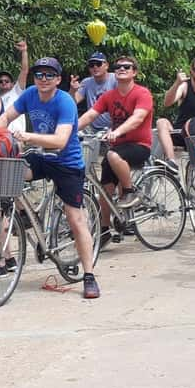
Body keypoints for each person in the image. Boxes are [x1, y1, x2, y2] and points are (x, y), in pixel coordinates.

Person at [0, 57, 100, 299]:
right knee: (9, 174)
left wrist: (27, 136)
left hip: (66, 162)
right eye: (39, 74)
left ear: (58, 79)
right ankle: (24, 217)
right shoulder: (30, 94)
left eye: (49, 75)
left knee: (75, 218)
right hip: (39, 157)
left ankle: (89, 275)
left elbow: (60, 141)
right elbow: (5, 118)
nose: (43, 79)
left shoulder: (65, 102)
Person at [77, 55, 154, 247]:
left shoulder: (142, 93)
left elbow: (137, 118)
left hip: (139, 146)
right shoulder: (108, 96)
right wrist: (68, 131)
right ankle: (104, 230)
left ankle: (129, 191)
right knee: (105, 189)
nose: (121, 69)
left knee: (112, 154)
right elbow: (90, 115)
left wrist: (117, 131)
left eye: (127, 67)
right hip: (118, 147)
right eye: (119, 67)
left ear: (134, 72)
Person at [70, 52, 117, 130]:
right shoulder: (86, 82)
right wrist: (72, 90)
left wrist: (115, 128)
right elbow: (72, 102)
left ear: (106, 66)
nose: (95, 67)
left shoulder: (115, 79)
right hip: (92, 128)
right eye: (91, 65)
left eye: (98, 64)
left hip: (114, 127)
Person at [0, 40, 30, 133]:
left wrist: (24, 52)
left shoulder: (17, 91)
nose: (4, 83)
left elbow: (24, 70)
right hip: (0, 137)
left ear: (12, 83)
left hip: (17, 136)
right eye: (1, 81)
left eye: (7, 81)